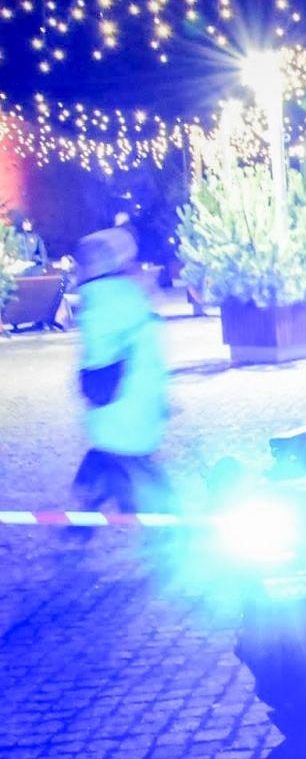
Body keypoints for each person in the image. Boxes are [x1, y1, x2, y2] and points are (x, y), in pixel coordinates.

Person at [69, 226, 174, 534]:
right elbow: (150, 352)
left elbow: (99, 354)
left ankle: (93, 509)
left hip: (116, 399)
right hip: (135, 396)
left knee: (121, 458)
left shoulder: (98, 300)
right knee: (134, 461)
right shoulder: (128, 296)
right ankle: (167, 525)